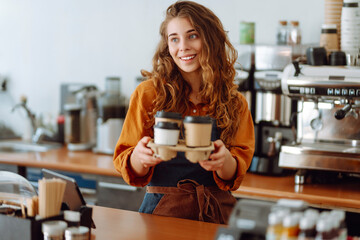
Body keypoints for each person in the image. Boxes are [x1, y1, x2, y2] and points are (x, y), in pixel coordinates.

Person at [113, 0, 255, 224]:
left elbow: (236, 172)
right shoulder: (148, 94)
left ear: (211, 39)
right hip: (162, 214)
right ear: (167, 46)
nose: (183, 47)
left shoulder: (235, 102)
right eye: (174, 39)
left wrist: (224, 161)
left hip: (217, 214)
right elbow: (127, 162)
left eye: (193, 35)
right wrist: (139, 158)